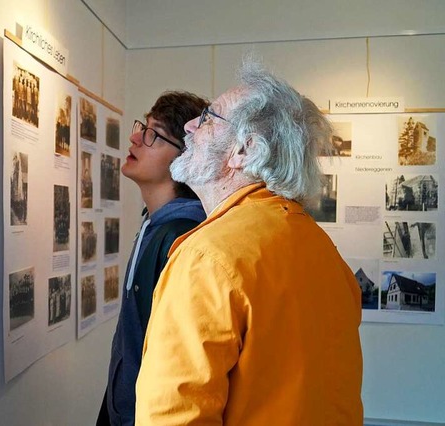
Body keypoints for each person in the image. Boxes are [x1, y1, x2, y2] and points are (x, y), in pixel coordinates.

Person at [135, 62, 363, 425]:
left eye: (208, 119)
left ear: (244, 149)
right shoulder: (322, 249)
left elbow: (175, 415)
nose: (191, 126)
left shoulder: (207, 257)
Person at [97, 91, 209, 426]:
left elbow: (180, 362)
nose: (135, 138)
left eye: (153, 134)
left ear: (184, 160)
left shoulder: (179, 238)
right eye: (142, 127)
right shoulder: (156, 226)